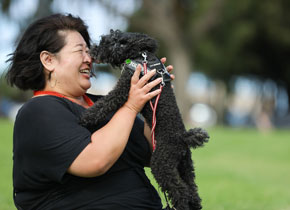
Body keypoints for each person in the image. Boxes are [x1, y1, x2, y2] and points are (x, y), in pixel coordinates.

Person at [6, 13, 174, 210]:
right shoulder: (38, 112)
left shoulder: (107, 105)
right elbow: (95, 161)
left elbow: (158, 154)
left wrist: (153, 101)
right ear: (48, 60)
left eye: (89, 51)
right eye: (80, 51)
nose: (89, 59)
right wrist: (131, 106)